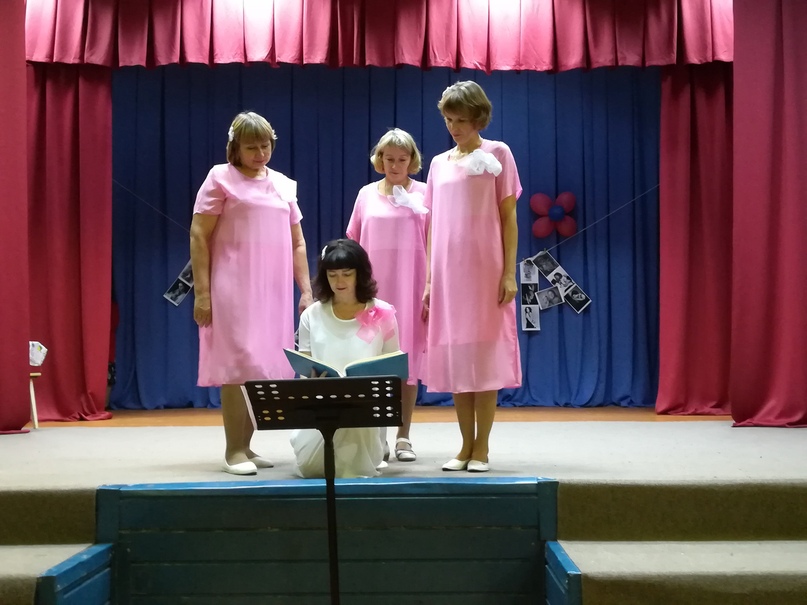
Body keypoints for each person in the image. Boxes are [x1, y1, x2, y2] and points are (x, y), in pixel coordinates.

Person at [190, 111, 313, 475]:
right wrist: (202, 293)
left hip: (272, 289)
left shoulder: (283, 185)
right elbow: (199, 236)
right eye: (251, 147)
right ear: (235, 148)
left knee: (259, 367)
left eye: (265, 146)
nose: (260, 154)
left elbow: (298, 242)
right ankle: (233, 451)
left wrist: (305, 291)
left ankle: (247, 444)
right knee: (238, 364)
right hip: (233, 285)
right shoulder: (220, 178)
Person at [422, 81, 522, 473]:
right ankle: (464, 445)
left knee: (484, 358)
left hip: (485, 269)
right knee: (459, 359)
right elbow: (433, 225)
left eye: (461, 120)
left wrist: (509, 272)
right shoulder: (437, 163)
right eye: (448, 119)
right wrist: (430, 279)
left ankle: (482, 448)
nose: (453, 127)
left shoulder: (499, 153)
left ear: (478, 118)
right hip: (449, 275)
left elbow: (509, 217)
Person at [346, 128, 427, 462]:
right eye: (389, 159)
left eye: (402, 159)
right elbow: (352, 245)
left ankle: (403, 436)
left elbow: (436, 243)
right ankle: (376, 437)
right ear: (379, 160)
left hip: (412, 289)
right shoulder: (365, 195)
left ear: (411, 161)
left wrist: (431, 288)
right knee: (373, 363)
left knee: (408, 363)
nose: (395, 165)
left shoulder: (426, 194)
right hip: (373, 292)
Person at [290, 239, 401, 478]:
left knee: (350, 461)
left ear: (360, 274)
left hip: (366, 408)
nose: (339, 282)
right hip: (322, 406)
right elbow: (304, 369)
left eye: (347, 274)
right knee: (312, 467)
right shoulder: (311, 315)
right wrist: (314, 382)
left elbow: (394, 367)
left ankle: (372, 449)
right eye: (332, 275)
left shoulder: (382, 313)